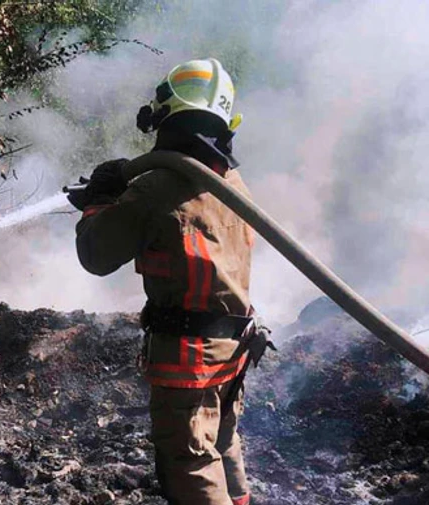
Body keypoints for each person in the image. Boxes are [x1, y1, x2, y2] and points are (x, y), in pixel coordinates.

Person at [69, 58, 270, 505]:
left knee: (190, 463)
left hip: (189, 357)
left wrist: (98, 203)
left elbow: (96, 256)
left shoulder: (157, 185)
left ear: (166, 112)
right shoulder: (231, 181)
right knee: (219, 444)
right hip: (233, 349)